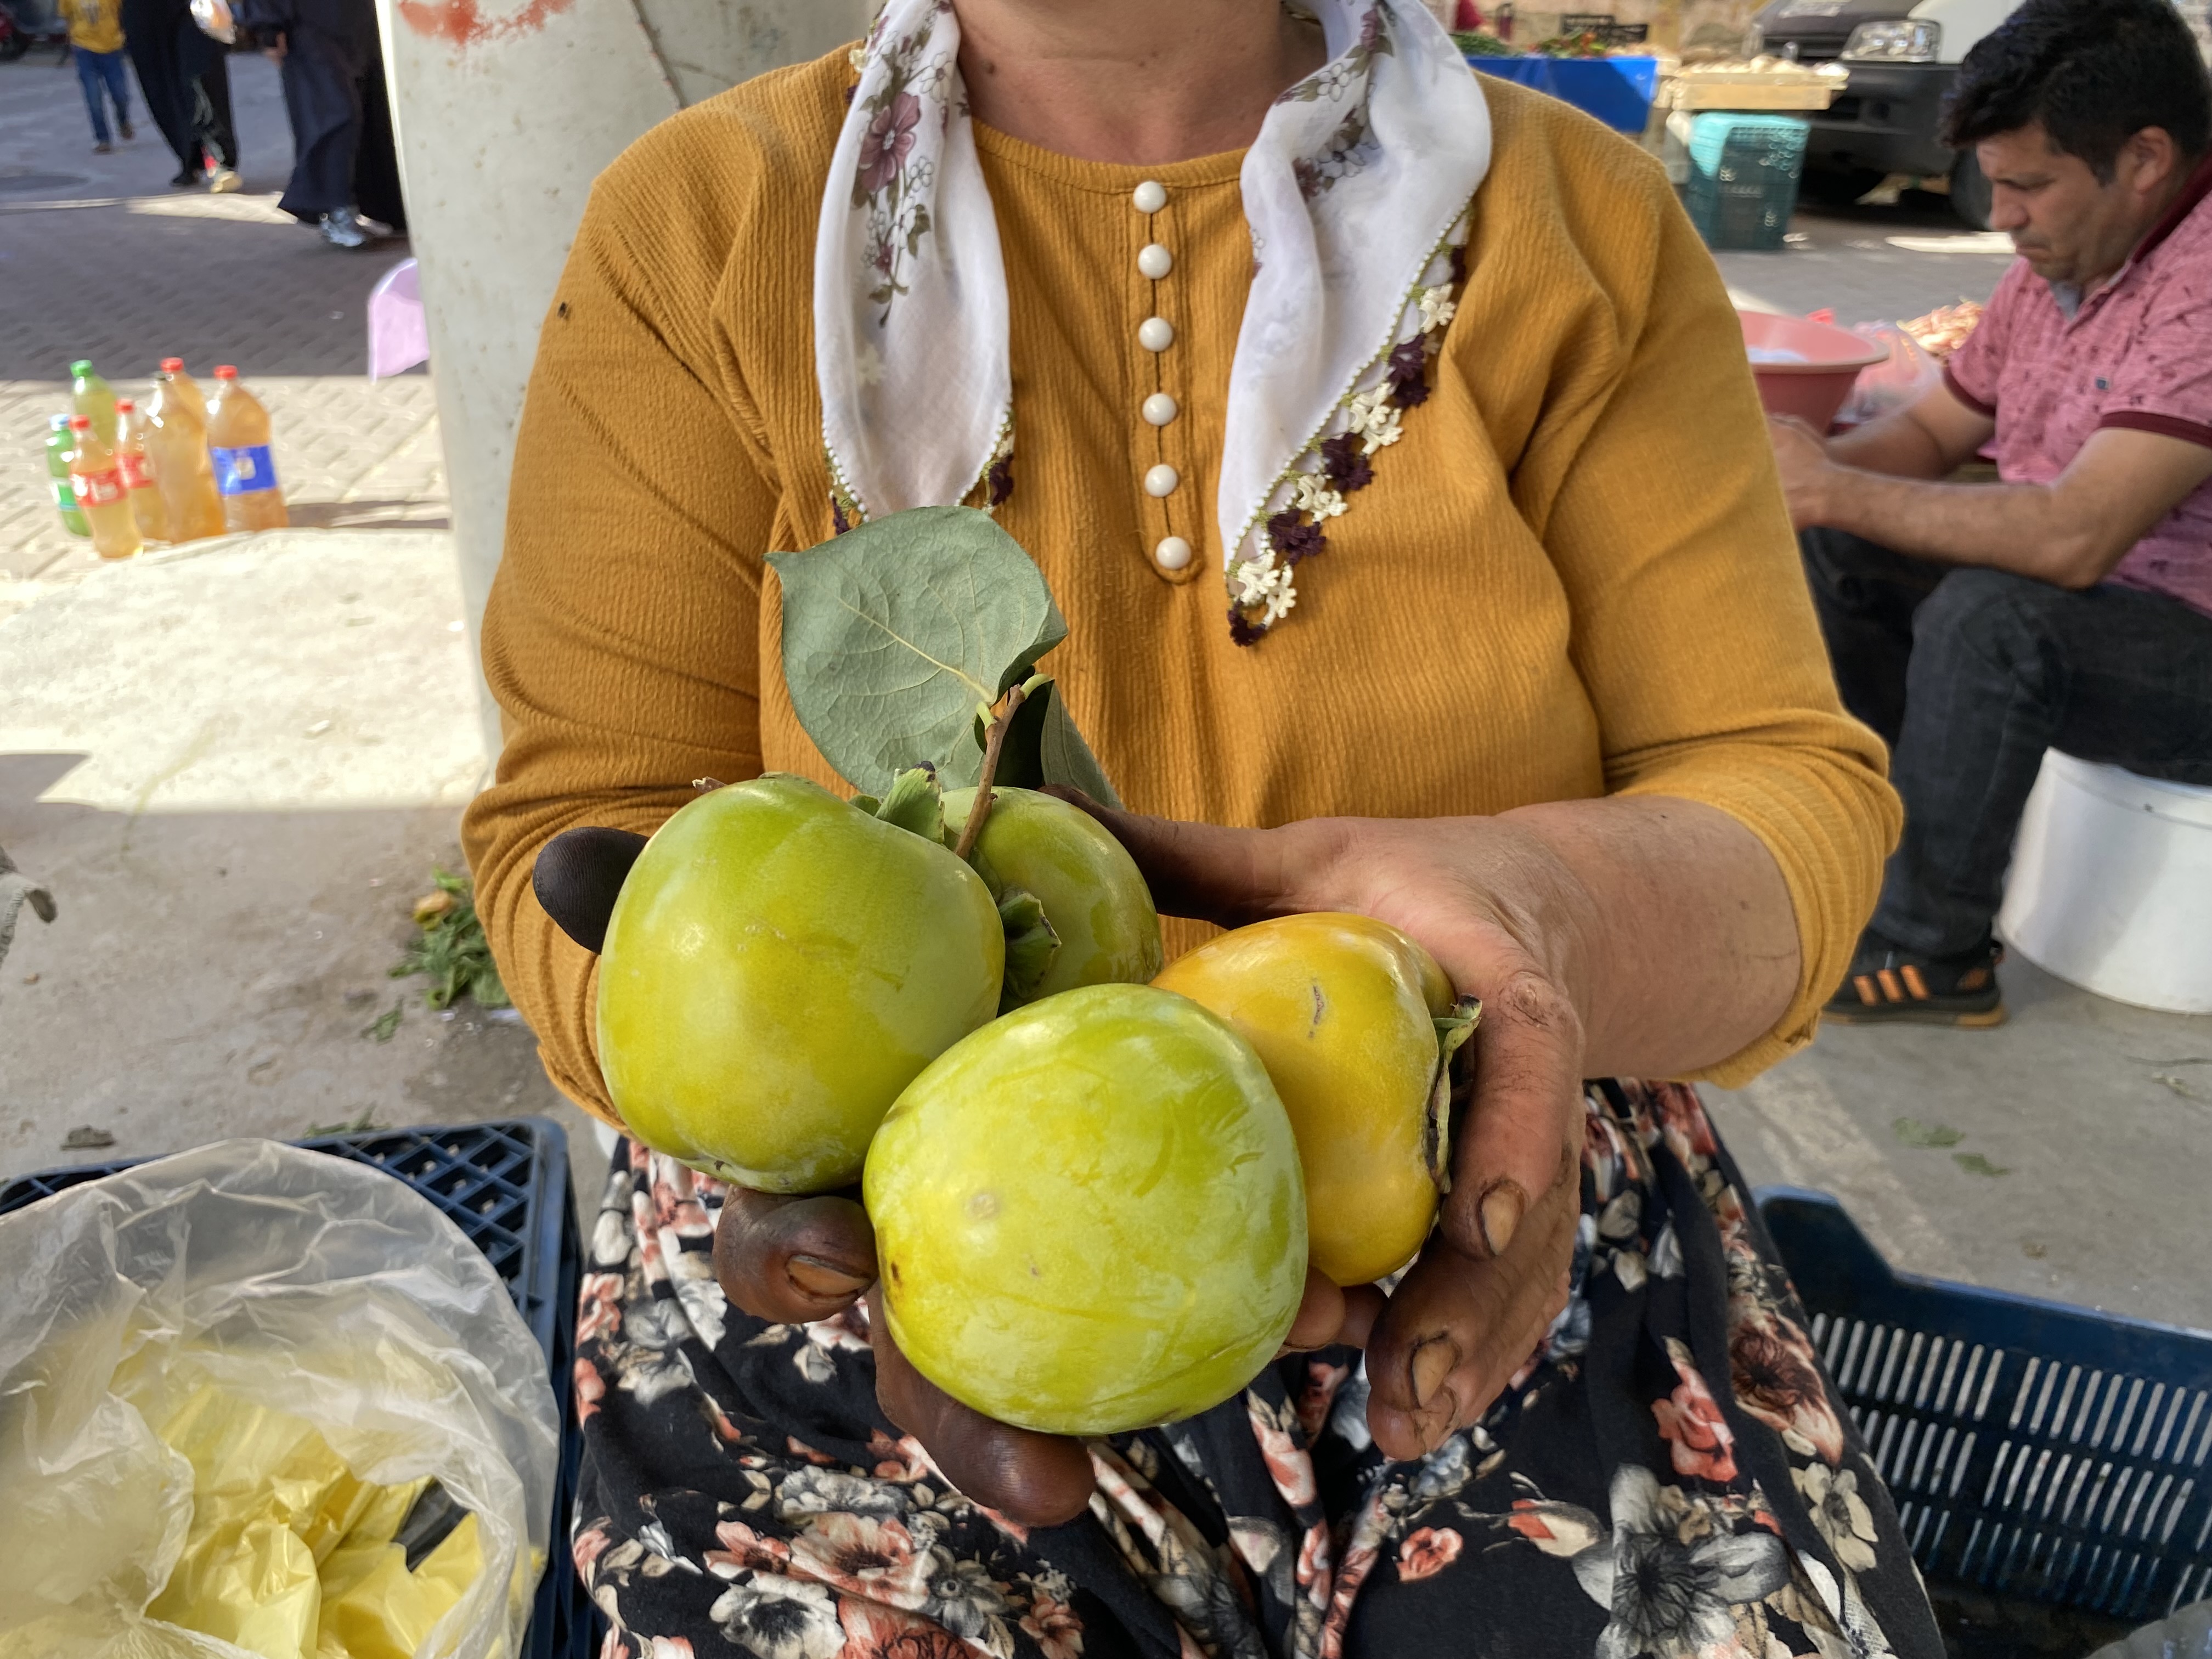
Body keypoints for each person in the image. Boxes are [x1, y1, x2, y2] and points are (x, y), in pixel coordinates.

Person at [467, 2, 1944, 1652]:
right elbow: (579, 818)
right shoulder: (703, 225)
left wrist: (1549, 926)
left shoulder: (1577, 225)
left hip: (1489, 1214)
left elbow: (1782, 791)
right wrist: (783, 1133)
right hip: (872, 1247)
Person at [1771, 0, 2212, 1028]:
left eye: (2027, 185)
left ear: (2143, 158)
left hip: (2188, 645)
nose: (2002, 215)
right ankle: (1857, 840)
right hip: (2092, 603)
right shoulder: (2064, 260)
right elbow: (1926, 435)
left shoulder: (2198, 286)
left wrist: (1829, 482)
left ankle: (1933, 950)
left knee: (1990, 617)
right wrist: (1798, 476)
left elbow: (2073, 536)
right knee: (1839, 537)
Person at [236, 0, 405, 247]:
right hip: (308, 24)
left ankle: (388, 206)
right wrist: (268, 28)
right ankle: (335, 209)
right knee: (336, 112)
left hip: (361, 20)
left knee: (375, 112)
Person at [121, 0, 240, 189]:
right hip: (142, 10)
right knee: (159, 85)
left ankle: (219, 159)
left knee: (200, 75)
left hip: (191, 8)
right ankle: (189, 156)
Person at [59, 0, 134, 153]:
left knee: (120, 94)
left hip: (112, 48)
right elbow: (67, 16)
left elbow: (123, 12)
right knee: (93, 97)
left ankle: (123, 120)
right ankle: (103, 139)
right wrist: (72, 42)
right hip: (84, 49)